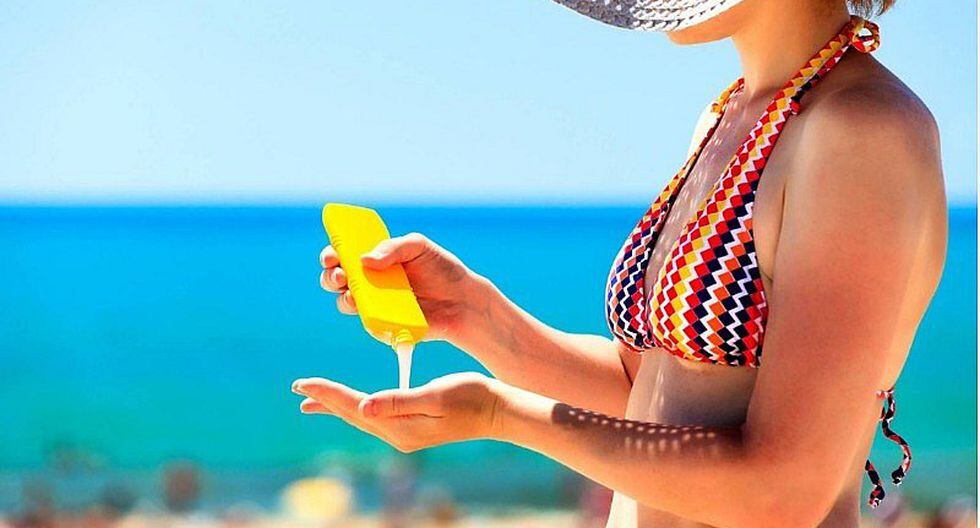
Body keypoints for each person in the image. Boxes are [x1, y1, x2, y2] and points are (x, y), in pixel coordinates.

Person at [293, 0, 947, 526]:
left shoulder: (861, 131)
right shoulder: (731, 116)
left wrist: (499, 416)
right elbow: (653, 395)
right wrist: (476, 315)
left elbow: (784, 490)